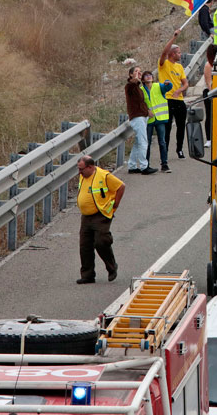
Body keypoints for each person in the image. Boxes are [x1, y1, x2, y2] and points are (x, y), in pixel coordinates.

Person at [76, 154, 124, 284]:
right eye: (78, 169)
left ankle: (112, 267)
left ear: (90, 167)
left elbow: (121, 187)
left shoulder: (104, 176)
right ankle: (87, 275)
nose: (79, 172)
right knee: (85, 245)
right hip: (86, 216)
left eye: (81, 169)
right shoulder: (83, 176)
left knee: (101, 241)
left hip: (101, 214)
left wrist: (116, 204)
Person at [158, 30, 188, 159]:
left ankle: (179, 149)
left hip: (178, 99)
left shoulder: (180, 67)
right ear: (173, 54)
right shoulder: (163, 64)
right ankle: (165, 150)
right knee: (168, 126)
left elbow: (186, 83)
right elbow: (164, 52)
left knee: (181, 125)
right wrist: (174, 38)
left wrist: (179, 90)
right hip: (167, 99)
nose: (180, 55)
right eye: (179, 52)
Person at [124, 67, 157, 174]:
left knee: (138, 142)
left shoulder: (138, 87)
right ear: (130, 75)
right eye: (136, 71)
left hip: (142, 116)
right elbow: (132, 84)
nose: (139, 73)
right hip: (137, 117)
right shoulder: (130, 86)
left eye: (140, 71)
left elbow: (140, 103)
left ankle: (132, 165)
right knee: (143, 142)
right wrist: (135, 79)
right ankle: (144, 166)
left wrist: (147, 112)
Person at [140, 70, 173, 173]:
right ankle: (146, 164)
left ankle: (164, 164)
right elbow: (140, 103)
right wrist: (147, 111)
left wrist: (168, 82)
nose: (149, 77)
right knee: (147, 143)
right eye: (146, 76)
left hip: (160, 118)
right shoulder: (141, 90)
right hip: (149, 120)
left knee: (162, 142)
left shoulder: (158, 86)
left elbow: (168, 87)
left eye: (150, 75)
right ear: (143, 79)